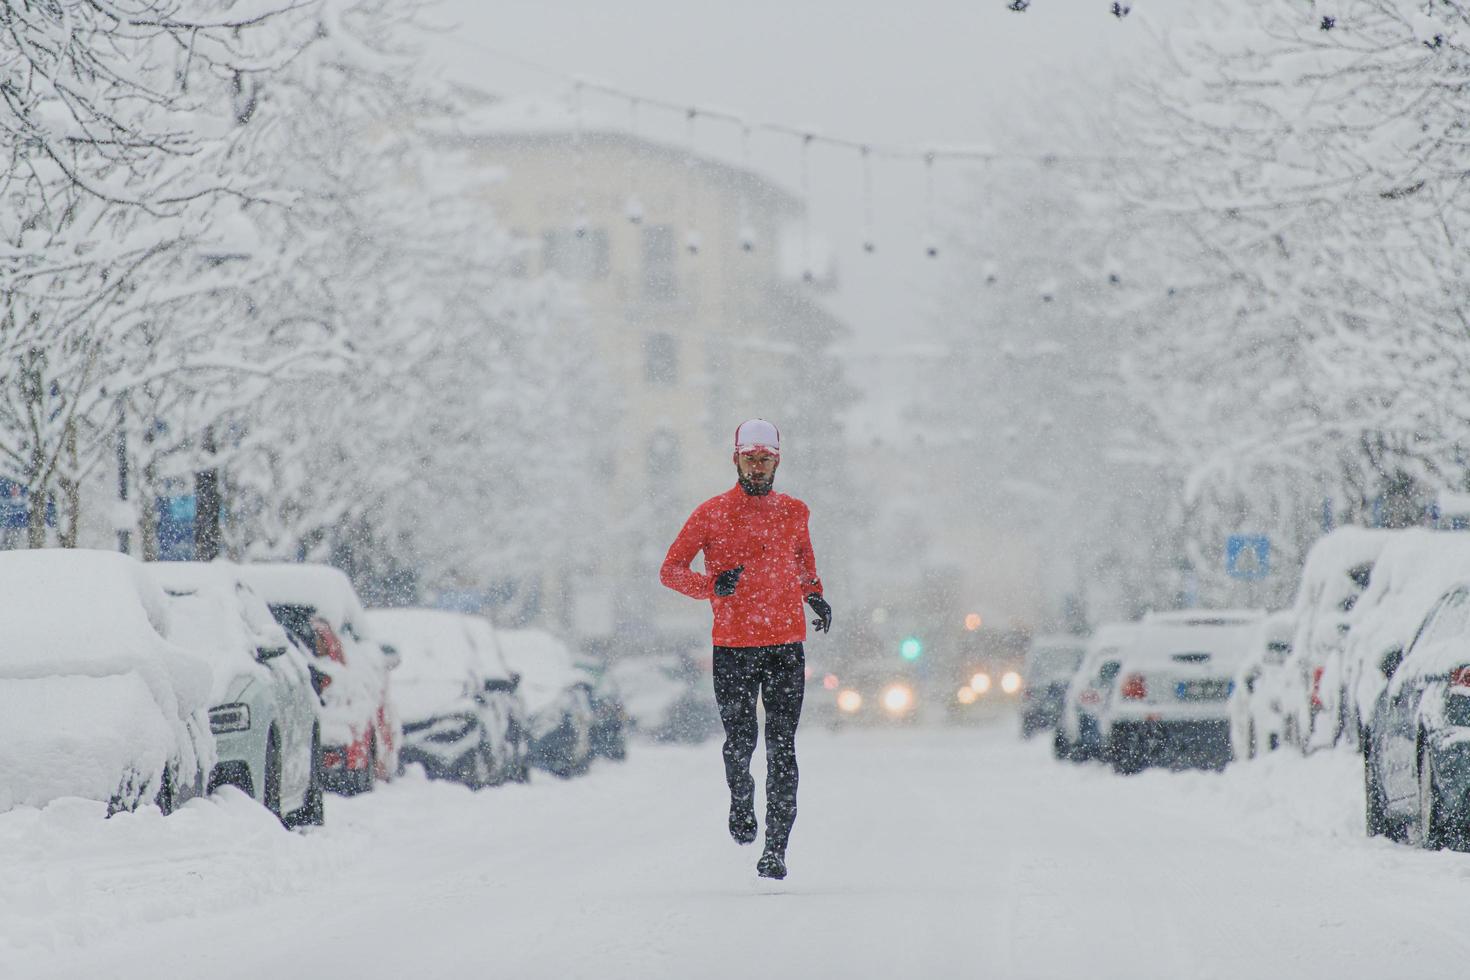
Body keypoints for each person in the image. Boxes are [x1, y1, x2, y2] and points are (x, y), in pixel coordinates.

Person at [659, 418, 832, 880]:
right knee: (741, 742)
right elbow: (671, 570)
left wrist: (814, 595)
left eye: (766, 459)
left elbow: (803, 562)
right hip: (733, 646)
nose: (758, 468)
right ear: (735, 458)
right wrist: (712, 585)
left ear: (777, 461)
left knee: (782, 748)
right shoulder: (711, 514)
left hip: (784, 646)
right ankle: (741, 798)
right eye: (750, 459)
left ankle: (775, 849)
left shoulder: (794, 512)